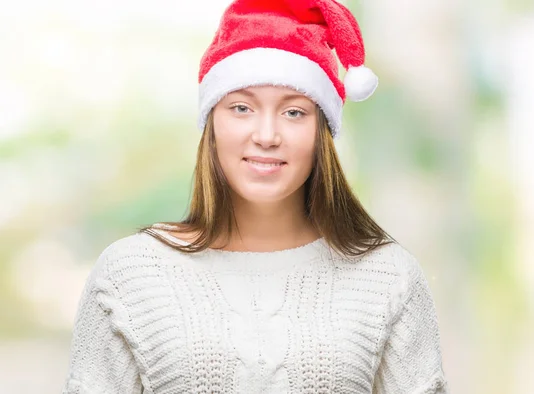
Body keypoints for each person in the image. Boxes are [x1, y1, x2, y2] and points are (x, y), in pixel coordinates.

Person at [61, 0, 449, 393]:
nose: (266, 135)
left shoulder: (388, 277)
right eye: (241, 107)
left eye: (294, 112)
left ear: (323, 132)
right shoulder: (131, 273)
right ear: (212, 123)